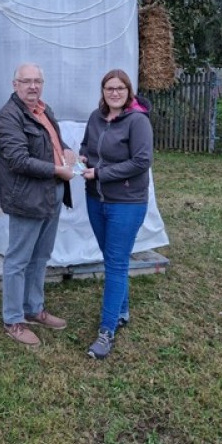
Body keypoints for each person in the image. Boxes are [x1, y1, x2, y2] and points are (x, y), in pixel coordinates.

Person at [0, 63, 75, 346]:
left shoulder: (43, 109)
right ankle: (13, 320)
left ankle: (34, 308)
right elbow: (18, 160)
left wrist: (64, 151)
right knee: (17, 260)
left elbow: (53, 141)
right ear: (14, 84)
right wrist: (57, 170)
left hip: (50, 193)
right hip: (27, 197)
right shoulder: (8, 117)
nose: (33, 86)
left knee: (40, 256)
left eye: (37, 81)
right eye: (26, 81)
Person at [79, 68, 153, 359]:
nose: (114, 93)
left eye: (120, 88)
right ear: (103, 91)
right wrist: (82, 157)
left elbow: (142, 161)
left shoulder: (138, 121)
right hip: (96, 200)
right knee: (113, 259)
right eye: (109, 88)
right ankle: (122, 311)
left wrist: (100, 173)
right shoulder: (96, 117)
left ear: (128, 91)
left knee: (116, 264)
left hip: (127, 202)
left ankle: (106, 331)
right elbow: (87, 145)